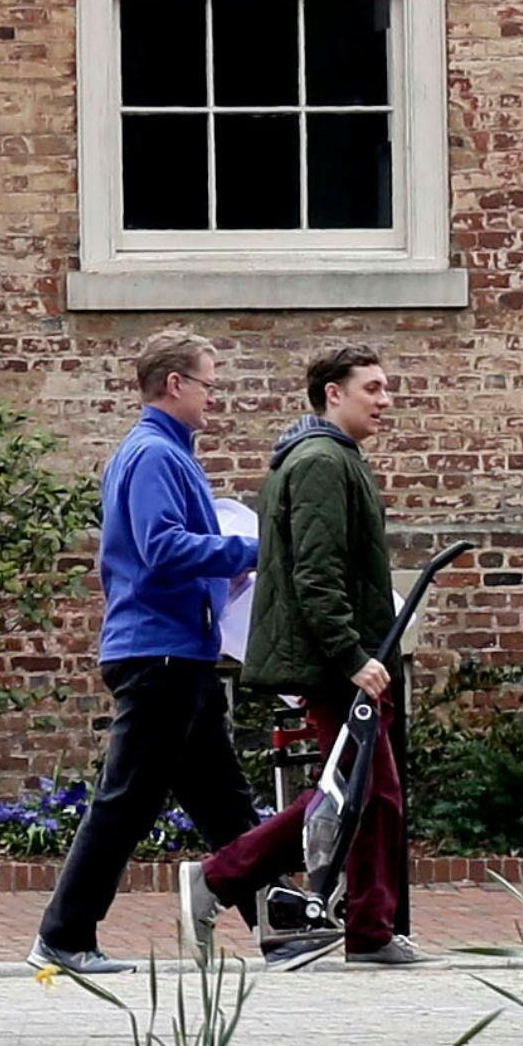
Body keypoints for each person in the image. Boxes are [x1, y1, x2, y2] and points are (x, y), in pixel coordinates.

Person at [31, 331, 261, 977]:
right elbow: (162, 547)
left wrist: (226, 574)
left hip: (177, 651)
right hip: (160, 652)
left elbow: (165, 550)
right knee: (128, 799)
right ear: (176, 384)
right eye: (210, 385)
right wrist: (250, 553)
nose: (215, 399)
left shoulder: (165, 453)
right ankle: (63, 937)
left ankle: (280, 925)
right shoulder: (156, 455)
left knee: (224, 805)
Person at [183, 343, 415, 970]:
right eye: (373, 388)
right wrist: (352, 657)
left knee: (361, 795)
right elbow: (316, 576)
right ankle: (221, 877)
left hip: (341, 658)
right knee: (364, 795)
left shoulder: (334, 458)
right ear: (333, 394)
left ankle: (369, 930)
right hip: (332, 663)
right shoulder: (318, 463)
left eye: (386, 387)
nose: (385, 400)